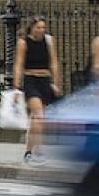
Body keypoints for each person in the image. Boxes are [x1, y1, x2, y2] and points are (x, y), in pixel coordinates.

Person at [12, 16, 60, 164]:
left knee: (36, 120)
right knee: (39, 116)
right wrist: (16, 87)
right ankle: (39, 151)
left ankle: (28, 152)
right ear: (31, 28)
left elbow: (54, 63)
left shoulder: (49, 41)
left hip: (44, 81)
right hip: (30, 81)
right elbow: (19, 65)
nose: (41, 30)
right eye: (38, 27)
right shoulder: (23, 42)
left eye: (43, 27)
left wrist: (56, 83)